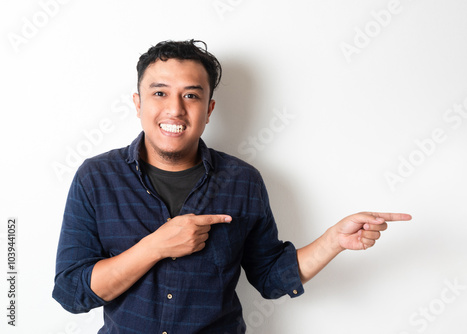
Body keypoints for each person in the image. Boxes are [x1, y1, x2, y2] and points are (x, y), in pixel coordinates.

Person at [52, 39, 411, 333]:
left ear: (208, 110)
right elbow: (72, 292)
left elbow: (271, 277)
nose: (175, 110)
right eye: (160, 93)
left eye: (190, 96)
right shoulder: (96, 177)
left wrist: (333, 241)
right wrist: (155, 247)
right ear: (138, 103)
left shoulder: (242, 181)